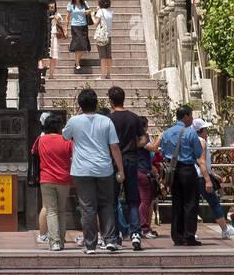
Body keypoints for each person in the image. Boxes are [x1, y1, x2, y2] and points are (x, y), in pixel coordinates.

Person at [62, 88, 123, 254]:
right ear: (96, 103)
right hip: (104, 168)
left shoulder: (74, 121)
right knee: (107, 205)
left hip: (82, 170)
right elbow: (114, 147)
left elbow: (65, 136)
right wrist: (121, 170)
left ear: (80, 105)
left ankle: (90, 245)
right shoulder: (106, 121)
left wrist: (76, 114)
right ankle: (110, 240)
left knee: (87, 208)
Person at [158, 106, 208, 247]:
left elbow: (164, 152)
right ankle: (189, 235)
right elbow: (199, 154)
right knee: (190, 203)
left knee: (177, 203)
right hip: (187, 169)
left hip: (173, 171)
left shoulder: (167, 133)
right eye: (191, 116)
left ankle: (177, 235)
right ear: (185, 116)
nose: (192, 119)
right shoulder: (191, 133)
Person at [107, 86, 144, 249]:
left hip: (113, 162)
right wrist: (133, 144)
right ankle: (136, 233)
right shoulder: (134, 118)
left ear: (110, 100)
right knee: (133, 199)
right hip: (131, 159)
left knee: (113, 200)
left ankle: (115, 236)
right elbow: (143, 140)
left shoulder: (108, 119)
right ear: (124, 98)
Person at [193, 117, 234, 238]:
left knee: (192, 204)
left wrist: (212, 174)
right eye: (205, 129)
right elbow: (202, 162)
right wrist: (208, 179)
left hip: (195, 175)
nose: (207, 132)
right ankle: (225, 230)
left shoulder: (192, 141)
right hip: (201, 176)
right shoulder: (201, 142)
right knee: (214, 203)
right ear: (201, 130)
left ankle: (190, 231)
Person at [32, 111, 73, 251]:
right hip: (64, 179)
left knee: (51, 211)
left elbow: (34, 153)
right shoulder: (67, 140)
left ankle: (54, 241)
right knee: (61, 210)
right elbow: (72, 155)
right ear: (60, 127)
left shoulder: (41, 140)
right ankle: (61, 240)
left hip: (46, 179)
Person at [136, 116, 160, 238]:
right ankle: (142, 227)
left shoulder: (134, 137)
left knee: (144, 201)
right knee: (145, 201)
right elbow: (154, 148)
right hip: (142, 171)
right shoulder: (142, 138)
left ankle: (143, 226)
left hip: (138, 170)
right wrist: (160, 137)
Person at [65, 0, 90, 73]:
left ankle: (77, 61)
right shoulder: (70, 4)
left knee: (84, 46)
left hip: (84, 26)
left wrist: (88, 12)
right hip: (75, 26)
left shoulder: (85, 3)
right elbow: (67, 17)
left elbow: (90, 11)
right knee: (78, 45)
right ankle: (77, 63)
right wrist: (65, 29)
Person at [92, 0, 113, 79]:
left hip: (101, 36)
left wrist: (92, 15)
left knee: (102, 56)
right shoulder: (111, 12)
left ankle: (102, 75)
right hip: (108, 35)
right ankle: (108, 75)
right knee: (108, 56)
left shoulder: (100, 11)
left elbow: (95, 23)